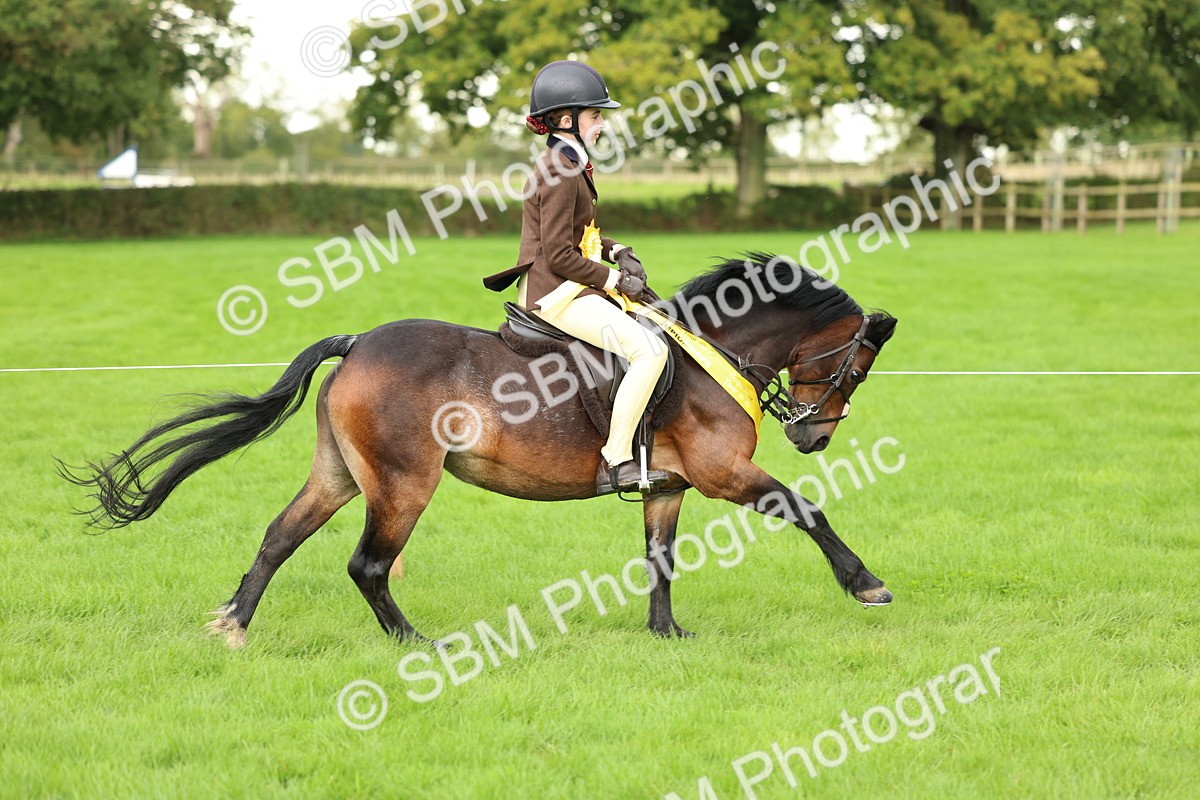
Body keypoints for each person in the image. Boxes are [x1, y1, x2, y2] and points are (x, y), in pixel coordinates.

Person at [483, 60, 670, 493]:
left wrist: (616, 250)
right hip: (557, 293)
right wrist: (611, 280)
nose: (602, 124)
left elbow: (579, 235)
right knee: (647, 351)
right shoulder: (560, 169)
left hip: (568, 283)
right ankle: (617, 459)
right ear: (566, 120)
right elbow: (559, 254)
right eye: (596, 115)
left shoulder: (571, 162)